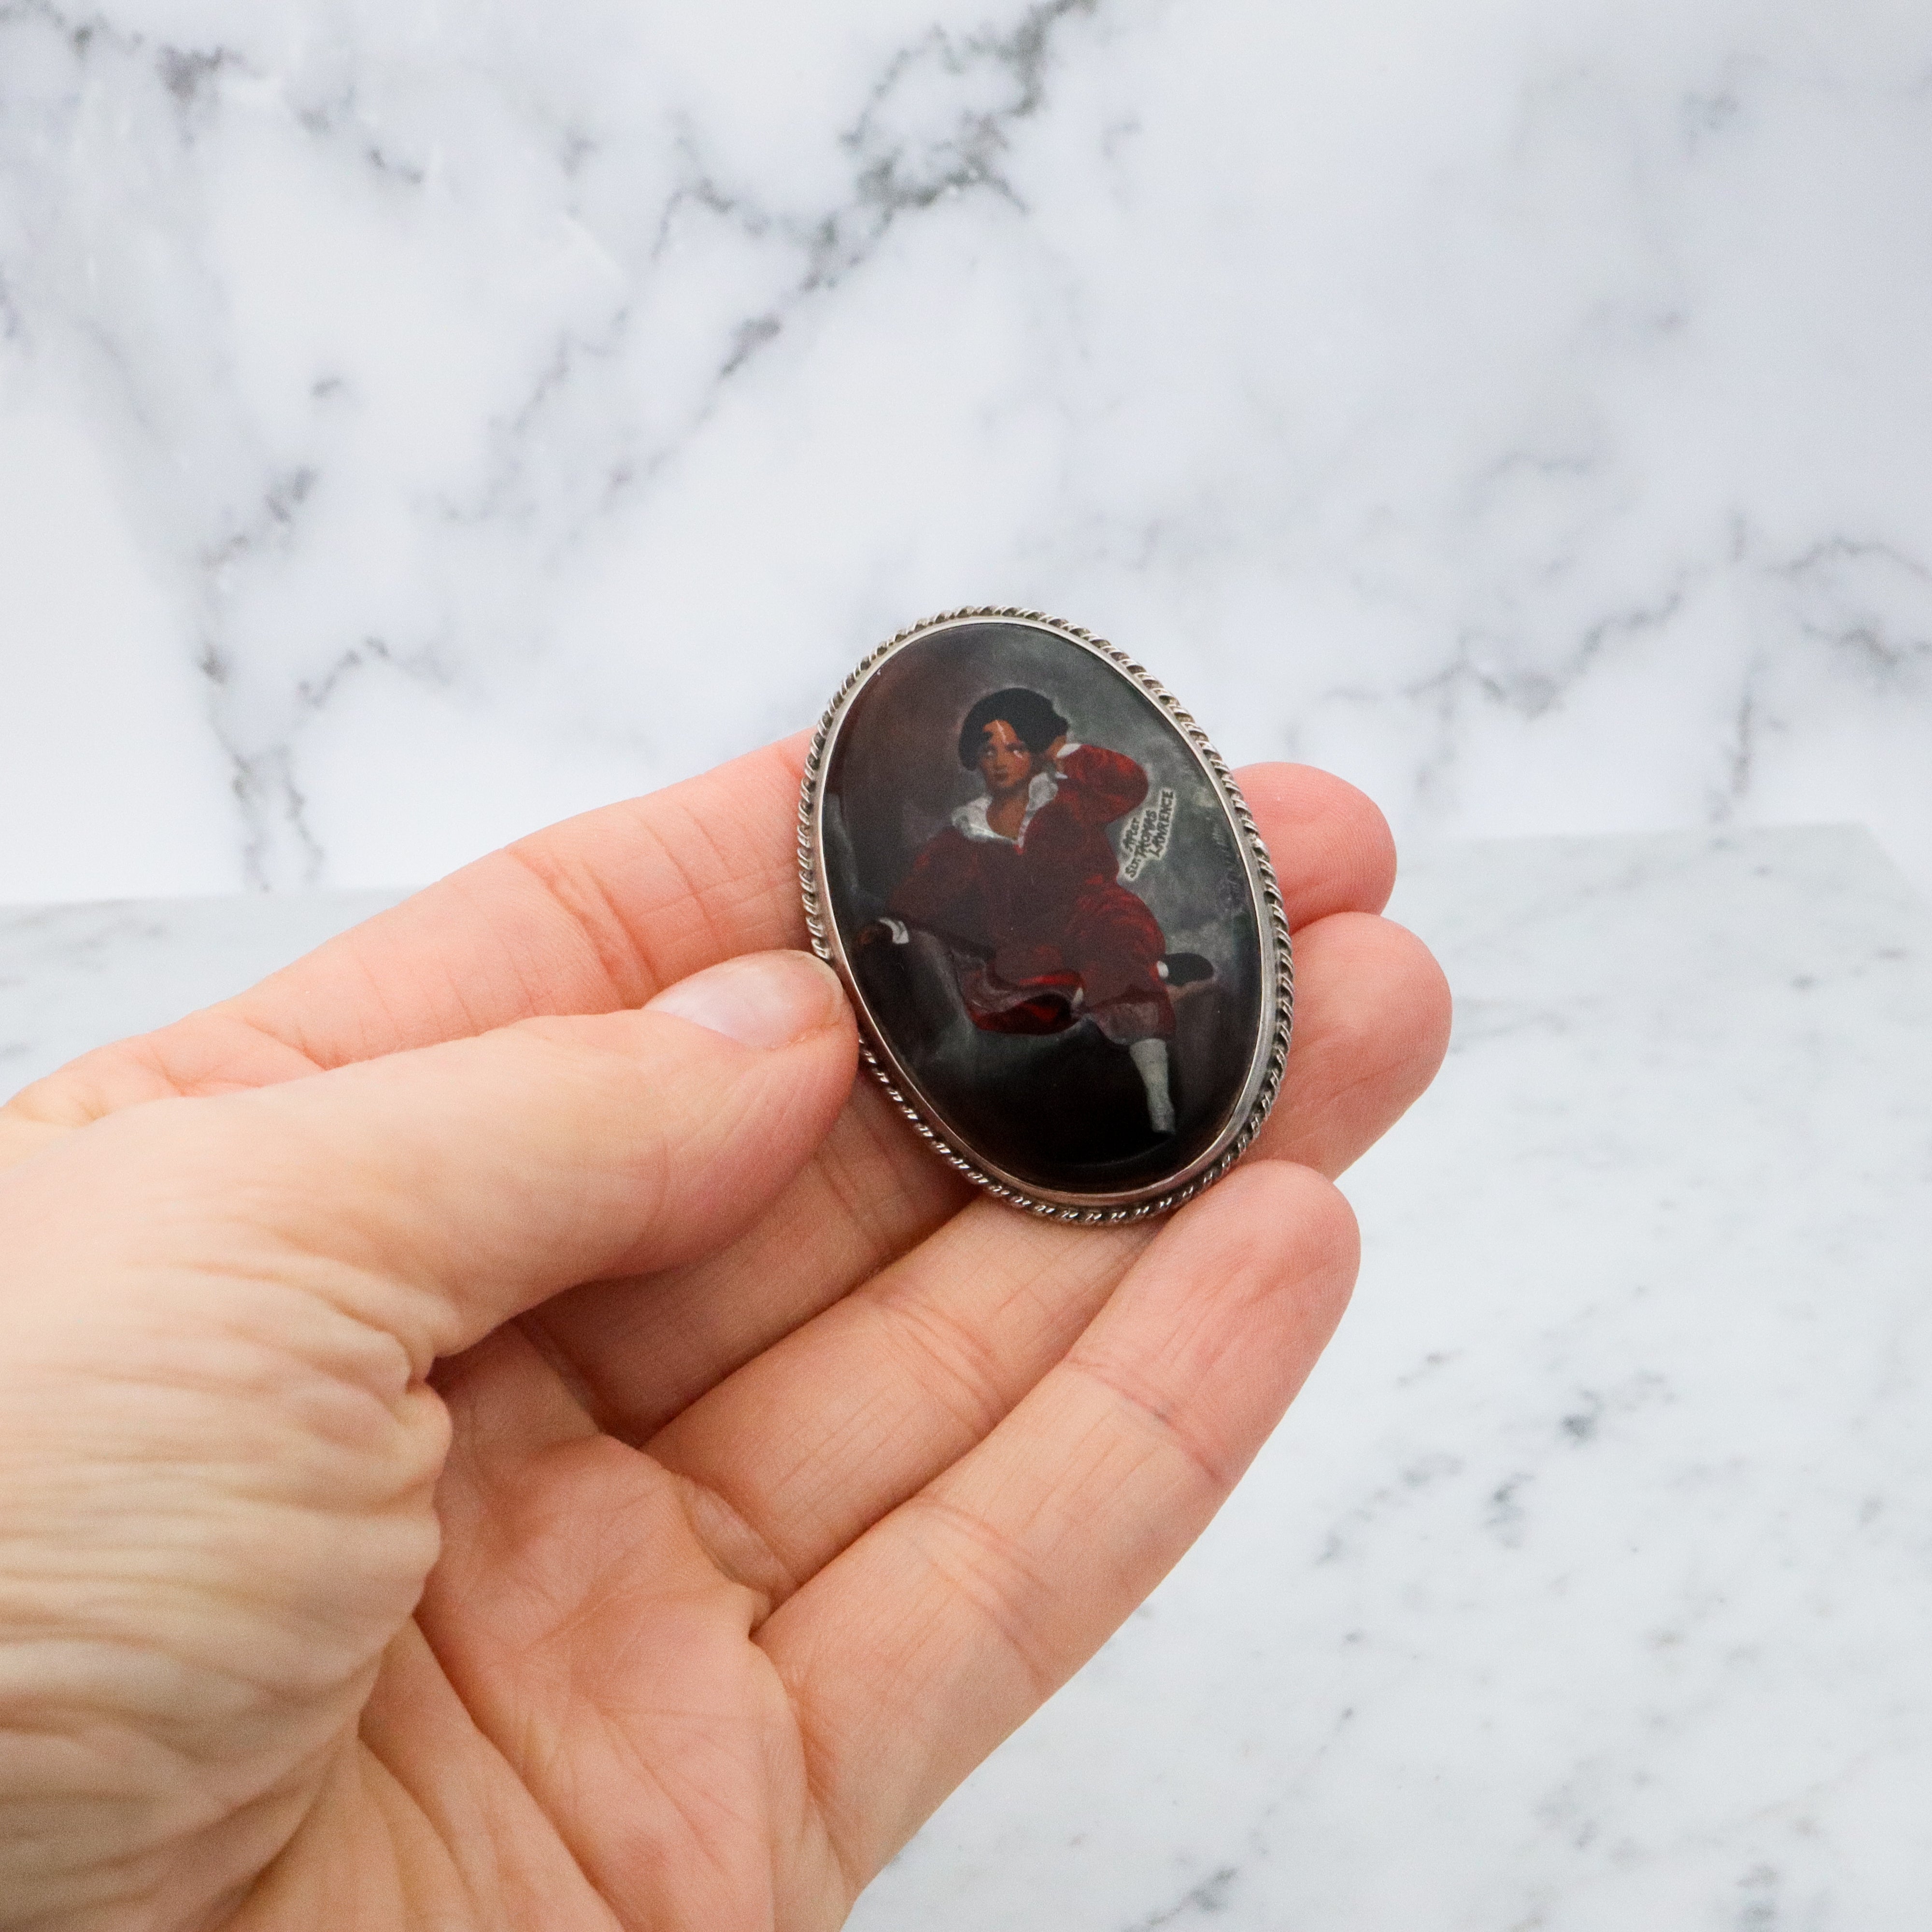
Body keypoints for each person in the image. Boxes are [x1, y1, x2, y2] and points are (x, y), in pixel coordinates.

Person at [0, 731, 1449, 1932]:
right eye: (999, 742)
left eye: (1027, 741)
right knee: (998, 936)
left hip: (1075, 933)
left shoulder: (1086, 795)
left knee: (1120, 950)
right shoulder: (963, 821)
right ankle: (1073, 1037)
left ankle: (1140, 1074)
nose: (1013, 753)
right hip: (984, 932)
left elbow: (1109, 811)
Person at [866, 687, 1183, 1134]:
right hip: (1030, 939)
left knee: (1118, 934)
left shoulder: (1068, 797)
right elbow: (928, 886)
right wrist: (892, 922)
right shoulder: (967, 831)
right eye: (988, 750)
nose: (1000, 761)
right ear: (974, 760)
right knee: (1020, 977)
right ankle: (1129, 977)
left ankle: (1161, 1102)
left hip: (1091, 910)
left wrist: (1060, 749)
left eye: (1015, 747)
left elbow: (1129, 784)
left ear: (1034, 751)